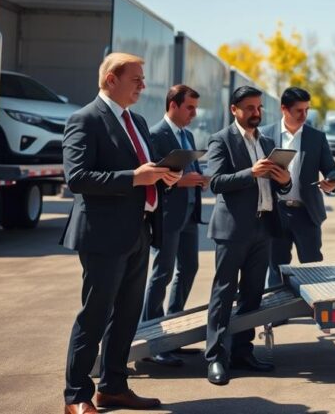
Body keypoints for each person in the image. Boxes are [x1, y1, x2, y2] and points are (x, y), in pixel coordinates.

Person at [61, 53, 181, 413]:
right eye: (136, 79)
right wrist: (134, 178)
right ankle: (77, 396)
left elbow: (146, 171)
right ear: (111, 79)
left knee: (127, 316)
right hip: (103, 235)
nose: (143, 85)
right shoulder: (85, 119)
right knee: (94, 316)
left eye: (143, 79)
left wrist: (165, 176)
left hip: (138, 232)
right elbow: (77, 178)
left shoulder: (137, 121)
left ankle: (113, 387)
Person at [204, 86, 292, 386]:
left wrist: (285, 180)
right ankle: (216, 357)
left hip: (263, 227)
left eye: (259, 107)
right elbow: (216, 182)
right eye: (250, 108)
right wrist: (250, 173)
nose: (256, 113)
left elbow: (277, 186)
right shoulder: (221, 140)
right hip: (232, 230)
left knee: (252, 294)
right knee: (224, 293)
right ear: (234, 109)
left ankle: (242, 351)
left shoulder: (267, 142)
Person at [141, 84, 211, 367]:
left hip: (189, 215)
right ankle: (152, 340)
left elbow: (189, 169)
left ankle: (173, 333)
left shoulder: (188, 134)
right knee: (162, 274)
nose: (194, 114)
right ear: (173, 105)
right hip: (168, 216)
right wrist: (183, 181)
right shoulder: (156, 135)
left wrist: (200, 180)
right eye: (189, 108)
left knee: (189, 268)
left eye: (195, 108)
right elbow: (152, 178)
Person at [261, 87, 335, 289]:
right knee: (276, 270)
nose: (304, 115)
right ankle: (277, 308)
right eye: (299, 110)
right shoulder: (264, 135)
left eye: (307, 110)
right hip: (275, 213)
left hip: (307, 214)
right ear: (284, 109)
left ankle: (315, 306)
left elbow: (332, 169)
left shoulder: (316, 137)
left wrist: (334, 182)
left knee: (314, 269)